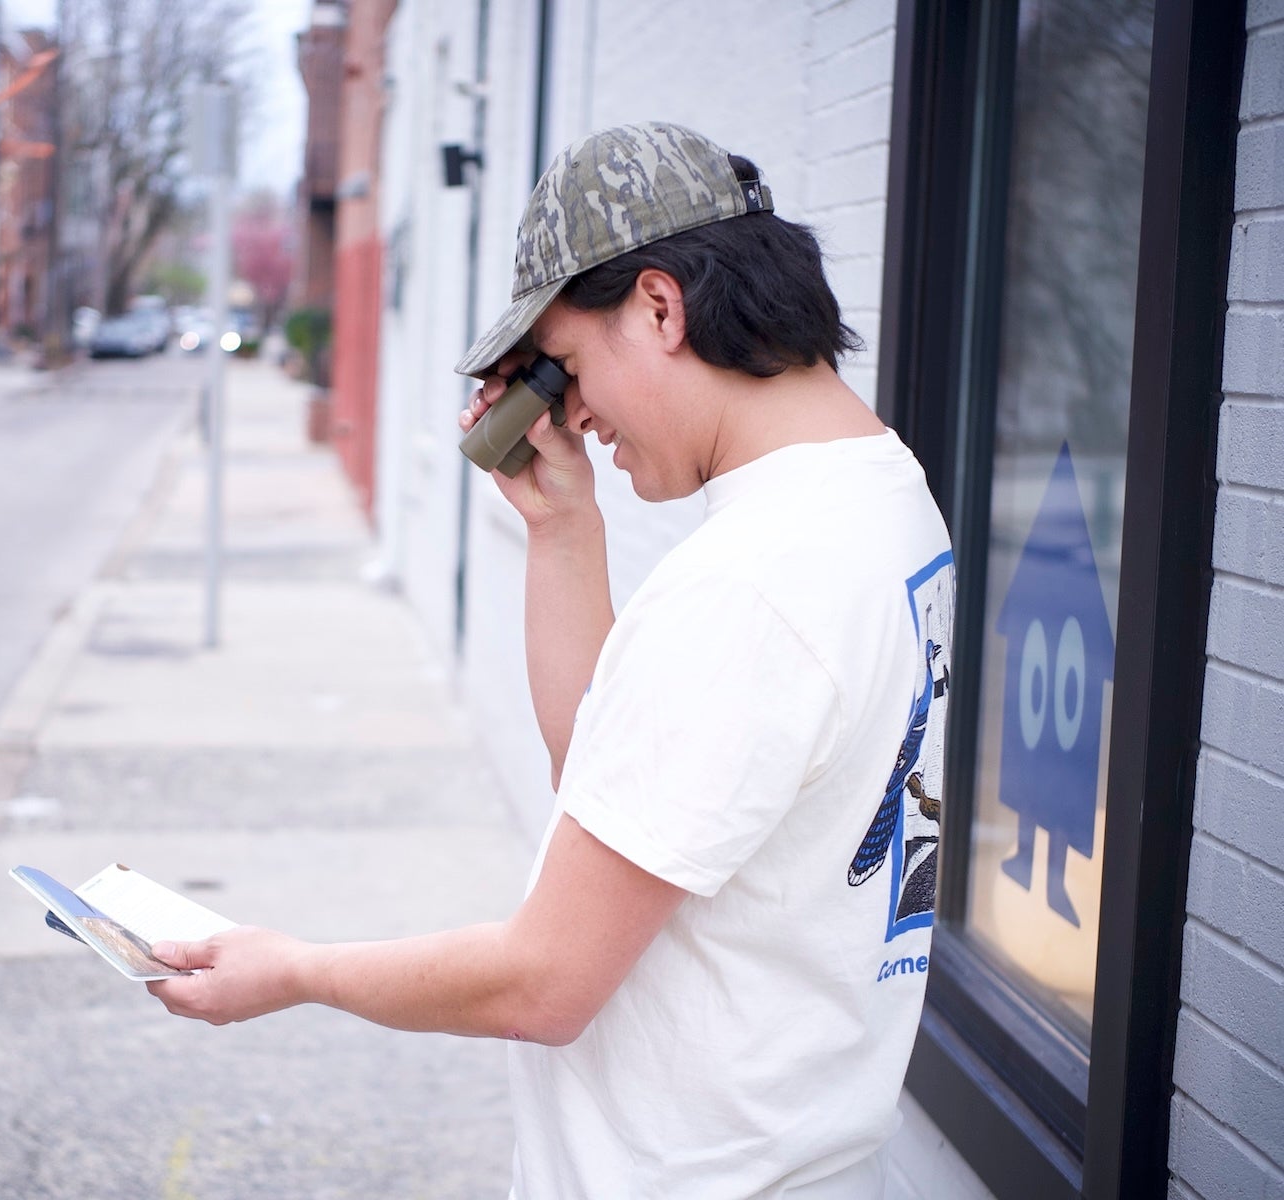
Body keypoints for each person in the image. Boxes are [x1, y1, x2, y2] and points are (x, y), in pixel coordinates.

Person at [146, 121, 956, 1200]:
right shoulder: (881, 495)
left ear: (660, 307)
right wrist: (564, 533)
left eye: (568, 364)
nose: (572, 412)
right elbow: (629, 789)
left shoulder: (749, 583)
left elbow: (546, 981)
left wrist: (295, 971)